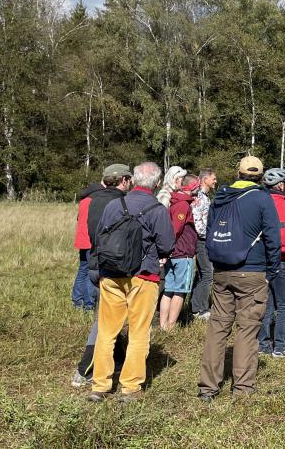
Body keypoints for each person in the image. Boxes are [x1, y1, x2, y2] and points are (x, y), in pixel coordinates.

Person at [88, 162, 174, 403]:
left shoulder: (114, 204)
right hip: (143, 276)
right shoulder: (157, 209)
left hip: (111, 273)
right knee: (138, 333)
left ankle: (100, 385)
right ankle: (130, 387)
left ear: (133, 180)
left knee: (106, 332)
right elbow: (167, 244)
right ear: (157, 184)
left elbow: (99, 236)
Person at [197, 156, 281, 402]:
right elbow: (273, 239)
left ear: (239, 173)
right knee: (247, 331)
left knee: (217, 329)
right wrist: (272, 270)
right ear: (261, 175)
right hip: (253, 272)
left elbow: (211, 230)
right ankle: (242, 389)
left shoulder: (220, 197)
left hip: (222, 271)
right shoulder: (263, 199)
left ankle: (207, 388)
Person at [71, 164, 133, 387]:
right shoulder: (118, 202)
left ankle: (118, 358)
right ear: (123, 181)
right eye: (129, 180)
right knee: (105, 320)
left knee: (110, 315)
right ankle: (85, 369)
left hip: (97, 263)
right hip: (112, 266)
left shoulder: (94, 200)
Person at [258, 168, 285, 358]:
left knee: (266, 304)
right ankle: (281, 346)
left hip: (260, 261)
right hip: (281, 261)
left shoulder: (259, 201)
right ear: (281, 185)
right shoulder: (282, 204)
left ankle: (262, 344)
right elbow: (284, 237)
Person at [159, 175, 199, 330]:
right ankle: (169, 326)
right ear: (190, 187)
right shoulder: (182, 205)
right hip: (182, 254)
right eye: (196, 185)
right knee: (179, 291)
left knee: (169, 289)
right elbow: (175, 229)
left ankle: (164, 326)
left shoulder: (175, 202)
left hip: (173, 253)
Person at [72, 176, 104, 311]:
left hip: (81, 239)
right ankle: (89, 303)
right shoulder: (95, 201)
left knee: (82, 269)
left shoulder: (84, 200)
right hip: (90, 240)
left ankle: (77, 300)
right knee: (90, 271)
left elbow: (79, 218)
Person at [190, 168, 217, 320]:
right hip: (201, 240)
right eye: (213, 178)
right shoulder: (199, 196)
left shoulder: (205, 196)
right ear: (205, 179)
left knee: (201, 273)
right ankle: (201, 310)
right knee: (208, 273)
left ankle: (196, 306)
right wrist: (208, 236)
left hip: (203, 239)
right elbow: (197, 220)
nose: (215, 181)